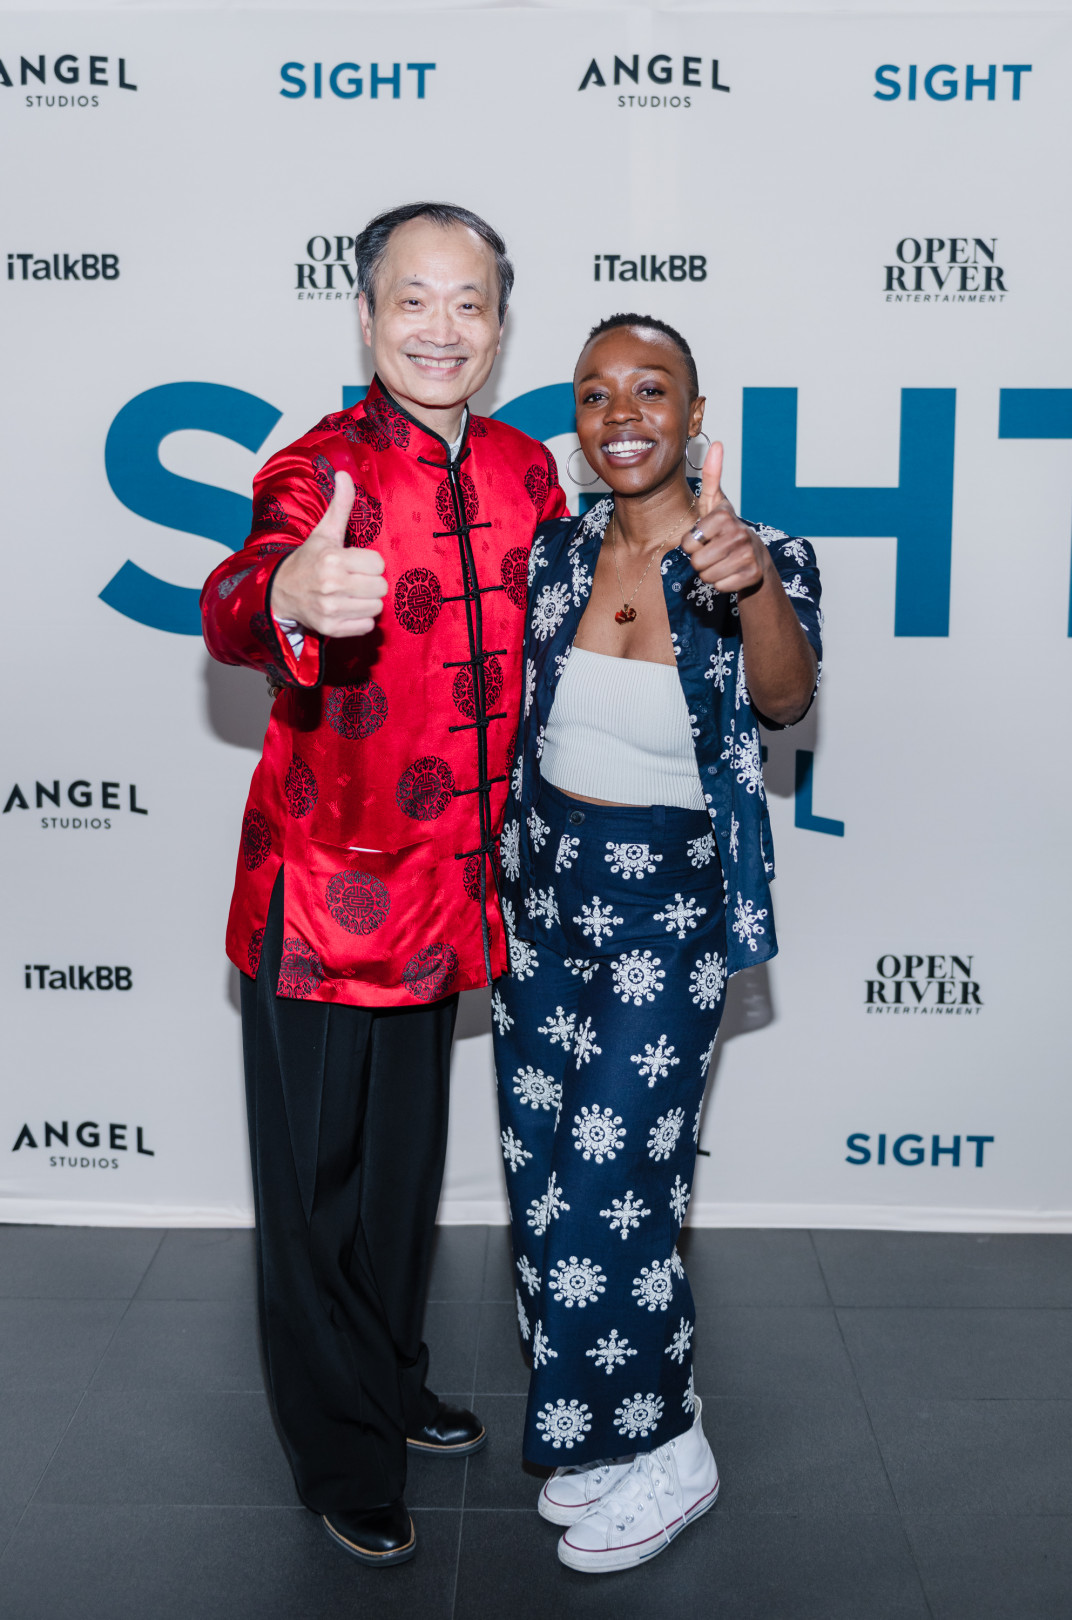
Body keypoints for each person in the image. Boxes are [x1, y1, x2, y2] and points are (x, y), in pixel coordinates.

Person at [200, 202, 567, 1568]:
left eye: (467, 304)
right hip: (320, 893)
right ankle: (340, 1451)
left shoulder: (532, 471)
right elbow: (240, 591)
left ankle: (389, 1377)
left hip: (453, 896)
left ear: (498, 323)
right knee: (314, 1188)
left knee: (401, 1174)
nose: (441, 329)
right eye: (413, 301)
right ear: (366, 317)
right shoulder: (321, 468)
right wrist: (290, 593)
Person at [493, 313, 821, 1573]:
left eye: (650, 389)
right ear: (576, 426)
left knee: (615, 1185)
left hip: (669, 911)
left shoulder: (756, 553)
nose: (621, 412)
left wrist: (755, 590)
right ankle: (604, 1432)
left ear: (693, 416)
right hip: (542, 902)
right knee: (543, 1187)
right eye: (593, 394)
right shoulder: (553, 555)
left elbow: (788, 700)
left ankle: (673, 1441)